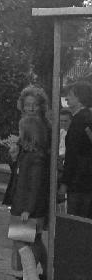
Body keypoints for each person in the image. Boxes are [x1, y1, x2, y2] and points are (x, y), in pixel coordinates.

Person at [5, 92, 51, 280]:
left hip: (26, 206)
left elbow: (33, 185)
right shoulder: (29, 155)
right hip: (23, 203)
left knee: (21, 241)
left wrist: (27, 209)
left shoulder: (34, 158)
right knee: (23, 240)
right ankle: (27, 279)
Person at [59, 80, 92, 218]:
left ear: (80, 98)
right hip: (87, 179)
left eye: (71, 95)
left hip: (79, 181)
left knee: (77, 222)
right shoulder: (87, 118)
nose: (67, 98)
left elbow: (72, 155)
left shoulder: (79, 121)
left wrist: (65, 183)